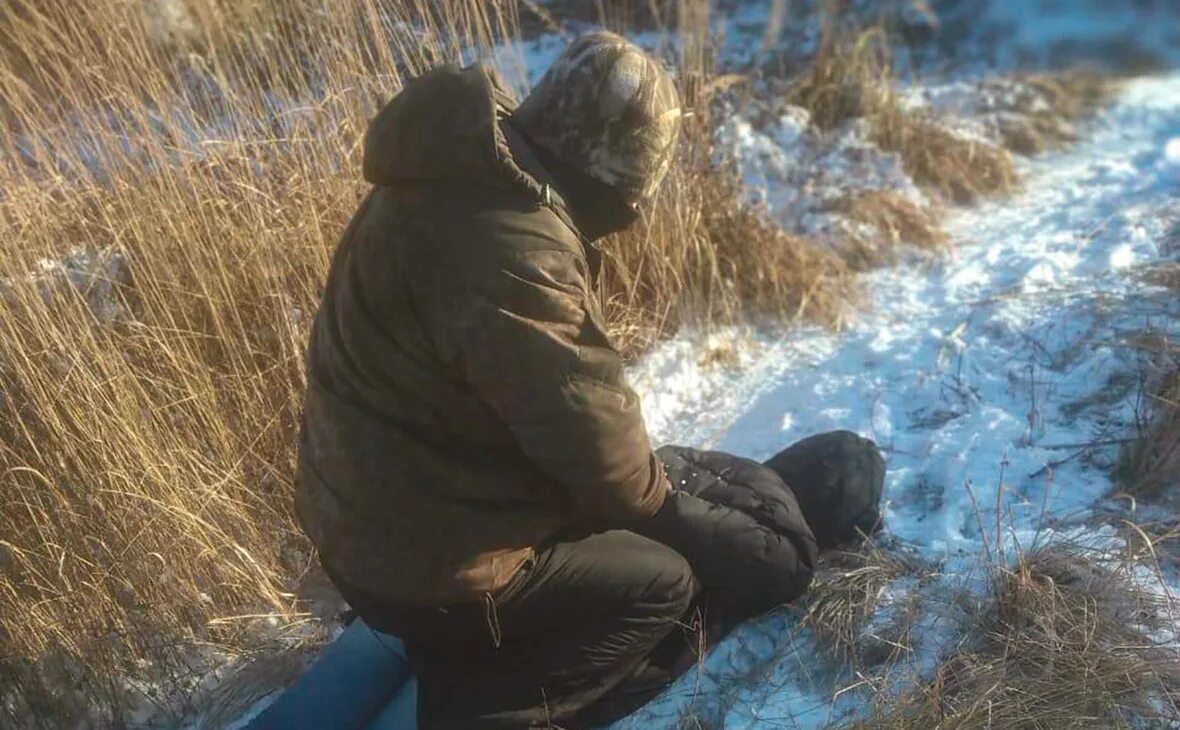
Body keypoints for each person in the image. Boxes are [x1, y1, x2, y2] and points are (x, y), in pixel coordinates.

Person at [295, 31, 884, 729]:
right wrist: (686, 524)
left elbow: (539, 413)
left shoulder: (443, 178)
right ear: (617, 171)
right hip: (421, 566)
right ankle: (468, 708)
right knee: (657, 581)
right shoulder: (519, 247)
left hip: (357, 522)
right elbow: (603, 454)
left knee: (604, 532)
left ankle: (423, 639)